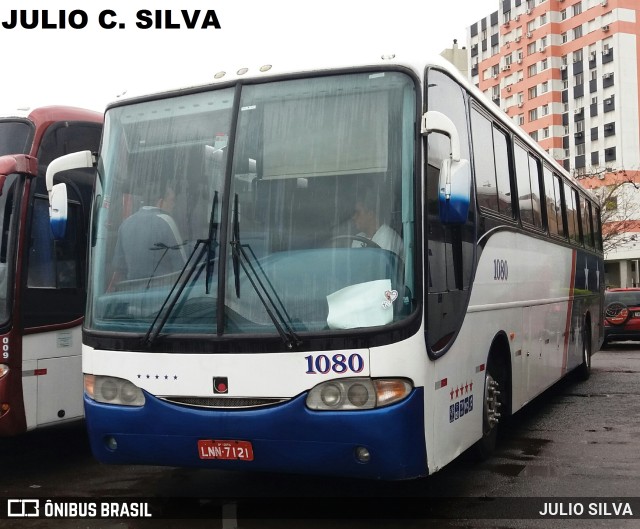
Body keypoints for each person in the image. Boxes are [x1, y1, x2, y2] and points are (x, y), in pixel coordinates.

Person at [112, 185, 187, 282]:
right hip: (162, 290)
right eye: (171, 200)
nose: (174, 205)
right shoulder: (167, 221)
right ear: (160, 202)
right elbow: (182, 268)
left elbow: (119, 267)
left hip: (131, 290)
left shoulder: (125, 223)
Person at [352, 189, 404, 256]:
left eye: (358, 213)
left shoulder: (387, 237)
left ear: (370, 213)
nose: (354, 217)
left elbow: (384, 265)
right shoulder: (357, 239)